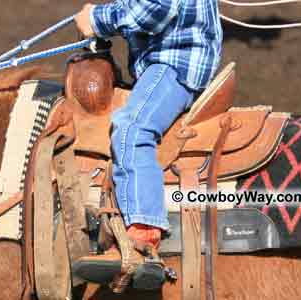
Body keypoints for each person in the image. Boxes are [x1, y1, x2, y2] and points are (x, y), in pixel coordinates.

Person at [74, 0, 223, 288]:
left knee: (132, 127)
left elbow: (157, 9)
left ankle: (143, 235)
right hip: (163, 61)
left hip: (174, 62)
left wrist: (97, 19)